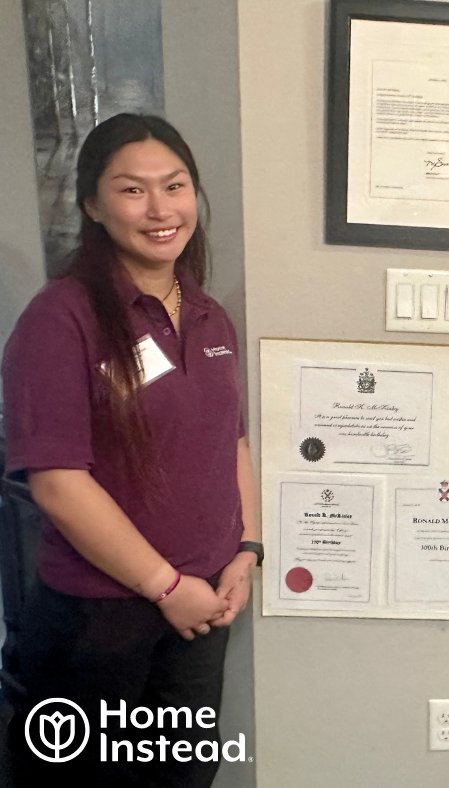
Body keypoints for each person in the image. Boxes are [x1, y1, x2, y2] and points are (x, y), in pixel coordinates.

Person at [2, 113, 261, 785]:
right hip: (98, 622)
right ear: (92, 203)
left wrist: (246, 550)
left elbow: (230, 438)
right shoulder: (61, 318)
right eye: (131, 190)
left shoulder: (208, 314)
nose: (159, 209)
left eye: (173, 187)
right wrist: (166, 585)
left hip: (199, 615)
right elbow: (58, 481)